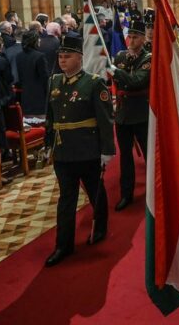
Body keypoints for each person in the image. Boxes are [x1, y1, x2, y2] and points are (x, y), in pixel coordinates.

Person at [44, 36, 114, 267]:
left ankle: (101, 226)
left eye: (68, 56)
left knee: (95, 191)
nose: (63, 61)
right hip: (63, 151)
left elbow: (105, 120)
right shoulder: (54, 82)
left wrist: (107, 150)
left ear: (80, 58)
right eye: (60, 57)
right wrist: (47, 144)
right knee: (66, 198)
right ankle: (63, 245)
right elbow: (51, 117)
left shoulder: (93, 83)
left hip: (87, 150)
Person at [108, 21, 151, 211]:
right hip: (123, 113)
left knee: (149, 155)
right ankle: (127, 193)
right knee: (125, 157)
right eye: (130, 36)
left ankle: (154, 191)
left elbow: (136, 81)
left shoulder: (148, 58)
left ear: (143, 38)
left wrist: (117, 72)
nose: (131, 40)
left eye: (135, 37)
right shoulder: (120, 56)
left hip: (141, 113)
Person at [15, 30, 49, 117]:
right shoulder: (40, 56)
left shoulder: (19, 56)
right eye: (38, 39)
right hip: (39, 96)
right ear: (34, 41)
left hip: (26, 95)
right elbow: (44, 78)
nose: (40, 41)